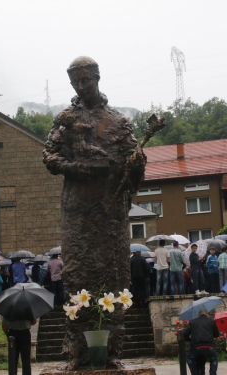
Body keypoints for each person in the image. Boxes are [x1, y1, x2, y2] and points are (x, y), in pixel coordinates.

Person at [43, 56, 146, 369]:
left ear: (97, 78)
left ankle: (111, 353)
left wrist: (137, 164)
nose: (81, 86)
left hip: (109, 211)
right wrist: (74, 167)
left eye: (86, 79)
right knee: (77, 274)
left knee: (111, 276)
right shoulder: (64, 118)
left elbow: (132, 163)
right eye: (76, 81)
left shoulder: (117, 120)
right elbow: (49, 156)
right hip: (77, 209)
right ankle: (76, 354)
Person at [182, 309, 220, 375]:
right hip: (209, 346)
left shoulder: (193, 322)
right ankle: (212, 373)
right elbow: (217, 334)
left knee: (189, 359)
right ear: (207, 315)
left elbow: (185, 334)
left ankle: (195, 373)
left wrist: (189, 340)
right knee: (213, 360)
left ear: (198, 315)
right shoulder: (211, 322)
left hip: (197, 346)